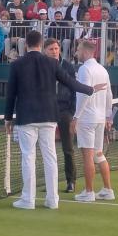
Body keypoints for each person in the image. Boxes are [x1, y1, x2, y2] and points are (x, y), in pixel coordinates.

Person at [4, 30, 102, 210]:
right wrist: (90, 90)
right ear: (41, 45)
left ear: (26, 45)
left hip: (26, 117)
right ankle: (52, 199)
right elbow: (71, 82)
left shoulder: (17, 64)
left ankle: (28, 199)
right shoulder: (52, 63)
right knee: (50, 157)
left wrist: (7, 119)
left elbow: (11, 94)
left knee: (28, 157)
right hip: (49, 116)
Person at [72, 39, 114, 203]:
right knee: (98, 154)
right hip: (99, 119)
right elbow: (109, 95)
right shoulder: (103, 69)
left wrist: (76, 117)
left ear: (86, 52)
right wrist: (108, 116)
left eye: (78, 49)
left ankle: (89, 192)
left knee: (88, 157)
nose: (76, 52)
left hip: (87, 119)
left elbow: (84, 95)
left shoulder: (84, 69)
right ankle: (107, 190)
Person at [44, 37, 78, 193]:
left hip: (65, 112)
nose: (54, 51)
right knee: (47, 150)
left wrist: (72, 112)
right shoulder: (41, 67)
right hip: (47, 112)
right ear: (45, 51)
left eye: (56, 48)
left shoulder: (68, 67)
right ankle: (49, 183)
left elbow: (74, 90)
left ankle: (71, 182)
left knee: (68, 148)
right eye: (51, 49)